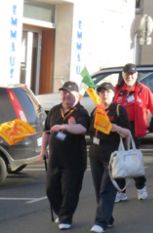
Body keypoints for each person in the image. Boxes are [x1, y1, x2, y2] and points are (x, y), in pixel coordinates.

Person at [40, 81, 90, 230]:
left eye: (68, 92)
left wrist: (65, 126)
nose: (65, 95)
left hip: (74, 160)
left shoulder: (81, 111)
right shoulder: (55, 110)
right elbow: (47, 131)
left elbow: (81, 129)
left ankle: (66, 218)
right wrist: (43, 148)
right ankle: (61, 213)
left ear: (76, 94)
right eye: (63, 92)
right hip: (55, 159)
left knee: (69, 190)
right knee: (51, 189)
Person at [113, 63, 153, 202]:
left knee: (133, 161)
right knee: (118, 161)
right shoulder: (117, 90)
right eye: (127, 74)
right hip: (118, 130)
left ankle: (141, 187)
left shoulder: (144, 90)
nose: (129, 77)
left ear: (136, 75)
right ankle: (121, 191)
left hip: (134, 130)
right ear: (123, 75)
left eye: (132, 74)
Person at [88, 82, 131, 233]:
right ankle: (107, 217)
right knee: (98, 188)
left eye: (107, 92)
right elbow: (90, 131)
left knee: (107, 187)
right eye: (101, 92)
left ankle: (100, 222)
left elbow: (127, 133)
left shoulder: (119, 110)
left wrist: (115, 128)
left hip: (112, 155)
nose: (104, 94)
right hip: (95, 154)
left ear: (113, 94)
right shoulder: (96, 110)